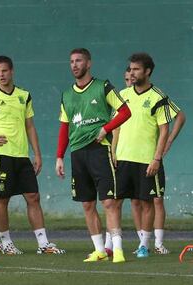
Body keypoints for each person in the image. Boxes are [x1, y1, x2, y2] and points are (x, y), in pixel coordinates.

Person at [0, 56, 65, 255]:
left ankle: (43, 244)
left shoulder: (24, 95)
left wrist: (38, 155)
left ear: (12, 71)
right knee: (2, 199)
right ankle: (6, 243)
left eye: (4, 71)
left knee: (33, 196)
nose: (1, 75)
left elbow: (30, 126)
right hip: (1, 156)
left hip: (22, 156)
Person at [55, 48, 131, 263]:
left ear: (89, 63)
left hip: (99, 150)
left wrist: (106, 129)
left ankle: (117, 250)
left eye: (79, 60)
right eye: (71, 61)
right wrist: (59, 156)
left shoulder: (103, 86)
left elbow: (125, 111)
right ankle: (99, 250)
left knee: (109, 202)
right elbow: (64, 126)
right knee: (87, 204)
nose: (74, 65)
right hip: (77, 154)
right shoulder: (67, 95)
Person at [114, 53, 184, 258]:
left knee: (147, 202)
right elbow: (116, 126)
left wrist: (157, 157)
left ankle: (145, 245)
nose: (132, 73)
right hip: (123, 158)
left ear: (147, 71)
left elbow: (164, 129)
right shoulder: (123, 94)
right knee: (115, 202)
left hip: (147, 160)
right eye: (130, 69)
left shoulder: (158, 97)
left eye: (136, 69)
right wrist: (113, 152)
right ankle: (114, 246)